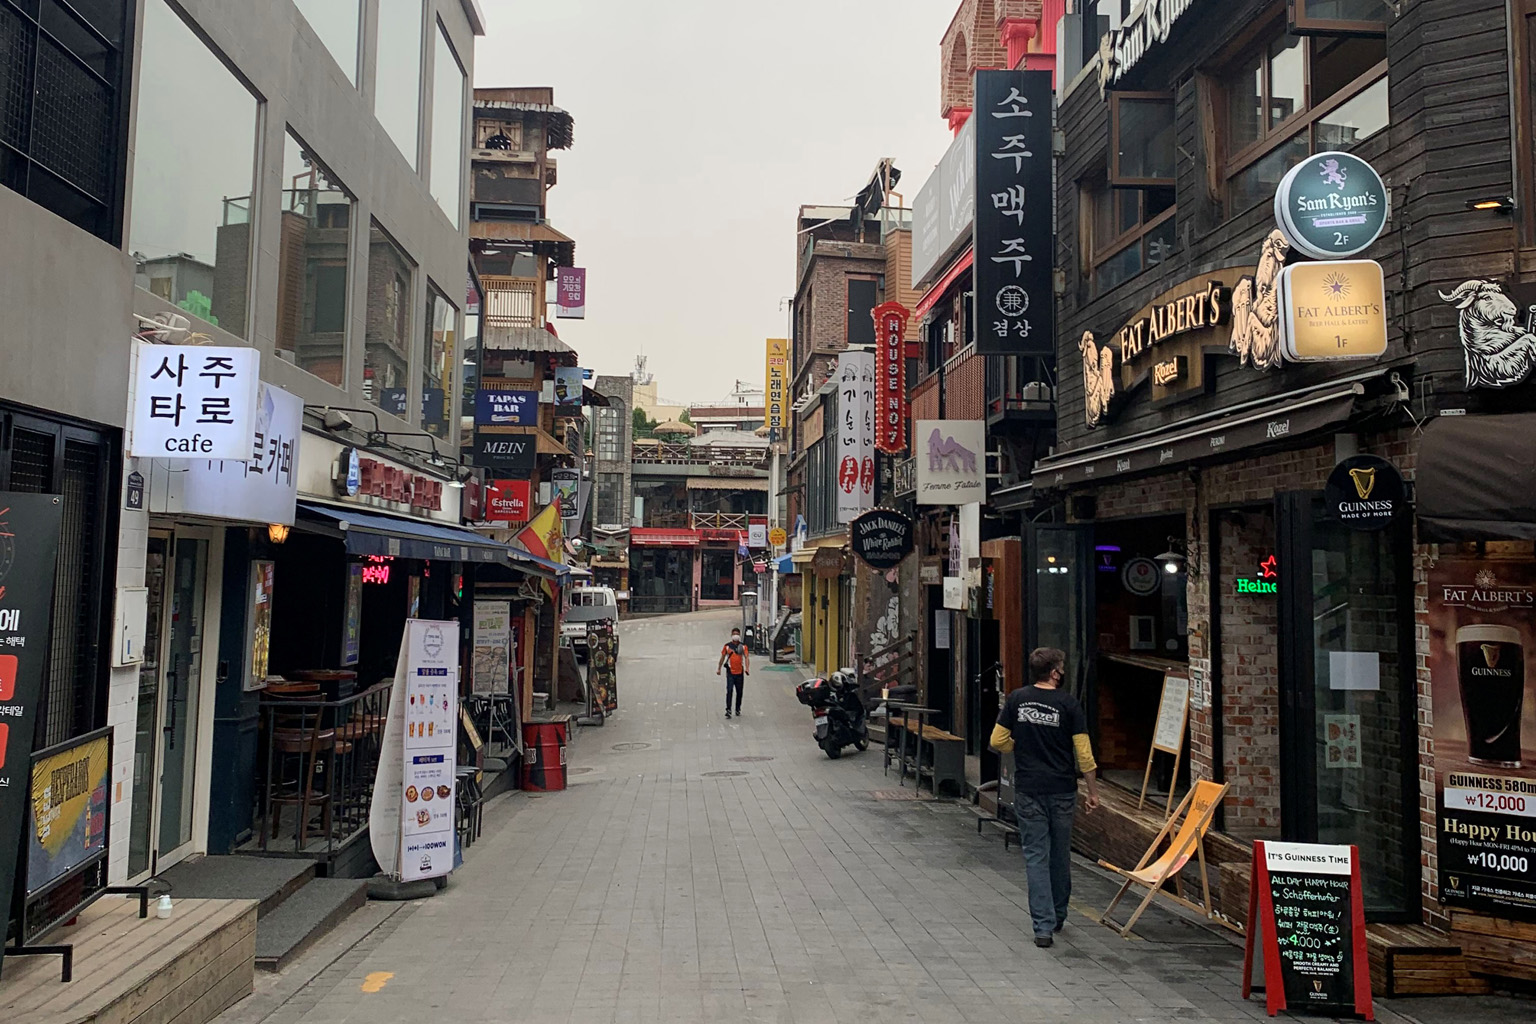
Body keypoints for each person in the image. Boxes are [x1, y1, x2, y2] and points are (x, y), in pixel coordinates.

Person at [990, 647, 1100, 948]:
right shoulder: (1069, 704)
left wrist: (1019, 748)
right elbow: (1084, 755)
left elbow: (997, 740)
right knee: (1060, 852)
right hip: (1062, 789)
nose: (1063, 672)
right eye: (1061, 667)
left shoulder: (1017, 699)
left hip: (1029, 789)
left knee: (1035, 855)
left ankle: (1042, 927)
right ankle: (1059, 913)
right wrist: (1092, 791)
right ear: (1054, 672)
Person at [716, 627, 750, 718]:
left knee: (739, 692)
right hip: (730, 673)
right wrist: (719, 668)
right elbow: (722, 657)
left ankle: (738, 708)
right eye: (734, 634)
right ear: (731, 635)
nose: (736, 636)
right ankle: (728, 709)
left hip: (739, 673)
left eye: (737, 634)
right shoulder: (727, 646)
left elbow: (746, 657)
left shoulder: (743, 647)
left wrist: (747, 668)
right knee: (729, 690)